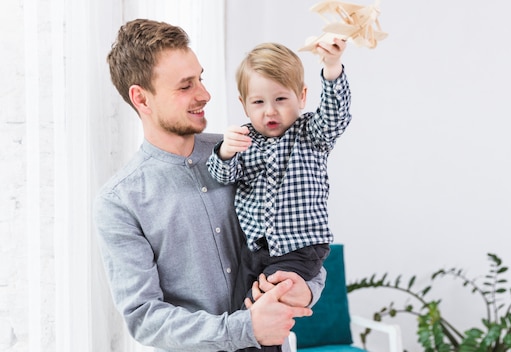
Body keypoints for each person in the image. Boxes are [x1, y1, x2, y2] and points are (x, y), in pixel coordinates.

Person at [93, 18, 326, 352]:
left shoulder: (249, 151)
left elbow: (303, 238)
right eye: (186, 86)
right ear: (141, 99)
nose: (205, 94)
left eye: (200, 78)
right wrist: (244, 328)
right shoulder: (119, 202)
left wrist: (306, 287)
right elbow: (144, 317)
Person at [206, 40, 350, 351]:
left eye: (281, 99)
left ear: (302, 96)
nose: (270, 111)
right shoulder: (245, 140)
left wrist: (332, 67)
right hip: (256, 250)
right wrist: (225, 152)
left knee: (264, 308)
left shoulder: (311, 133)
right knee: (242, 311)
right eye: (258, 102)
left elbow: (336, 116)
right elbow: (222, 176)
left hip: (300, 248)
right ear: (244, 104)